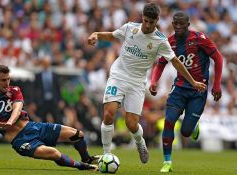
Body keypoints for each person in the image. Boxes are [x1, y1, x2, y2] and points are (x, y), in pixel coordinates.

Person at [87, 3, 206, 164]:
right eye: (145, 21)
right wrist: (97, 34)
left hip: (137, 83)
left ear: (157, 20)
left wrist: (192, 82)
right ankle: (106, 154)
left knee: (131, 123)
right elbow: (112, 35)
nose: (148, 25)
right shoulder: (130, 28)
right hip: (118, 76)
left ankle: (140, 142)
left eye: (151, 22)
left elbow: (176, 62)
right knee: (109, 113)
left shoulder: (160, 40)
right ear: (142, 18)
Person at [0, 65, 99, 171]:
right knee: (54, 153)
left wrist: (10, 121)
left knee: (78, 134)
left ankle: (87, 158)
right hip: (21, 141)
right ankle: (82, 166)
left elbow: (17, 107)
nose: (7, 83)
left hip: (34, 127)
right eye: (3, 80)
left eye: (8, 79)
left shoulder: (14, 90)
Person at [149, 11, 223, 172]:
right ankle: (167, 162)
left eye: (182, 24)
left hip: (199, 91)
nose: (179, 26)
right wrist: (154, 81)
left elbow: (218, 58)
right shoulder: (169, 42)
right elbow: (160, 63)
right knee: (169, 121)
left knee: (186, 132)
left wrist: (216, 85)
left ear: (188, 25)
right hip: (180, 88)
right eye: (176, 24)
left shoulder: (199, 39)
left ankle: (194, 125)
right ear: (173, 25)